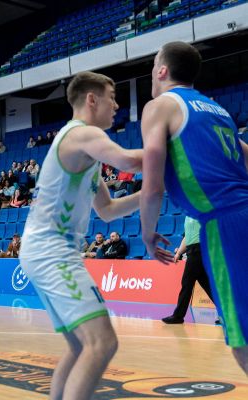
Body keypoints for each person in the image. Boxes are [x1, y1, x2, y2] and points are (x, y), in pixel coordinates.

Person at [19, 71, 142, 400]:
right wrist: (178, 155)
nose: (116, 105)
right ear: (91, 99)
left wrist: (153, 192)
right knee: (102, 342)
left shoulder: (84, 150)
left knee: (79, 346)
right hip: (51, 251)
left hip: (46, 250)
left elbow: (108, 210)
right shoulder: (82, 134)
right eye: (112, 97)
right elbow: (130, 160)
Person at [139, 41, 248, 372]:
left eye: (153, 66)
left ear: (162, 70)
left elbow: (152, 184)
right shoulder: (216, 109)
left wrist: (147, 234)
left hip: (224, 223)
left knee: (241, 340)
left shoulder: (159, 107)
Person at [162, 217, 218, 324]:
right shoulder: (187, 218)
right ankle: (227, 313)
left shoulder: (201, 213)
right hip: (192, 251)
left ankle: (178, 316)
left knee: (186, 283)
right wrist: (179, 253)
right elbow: (187, 238)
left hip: (200, 250)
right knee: (208, 286)